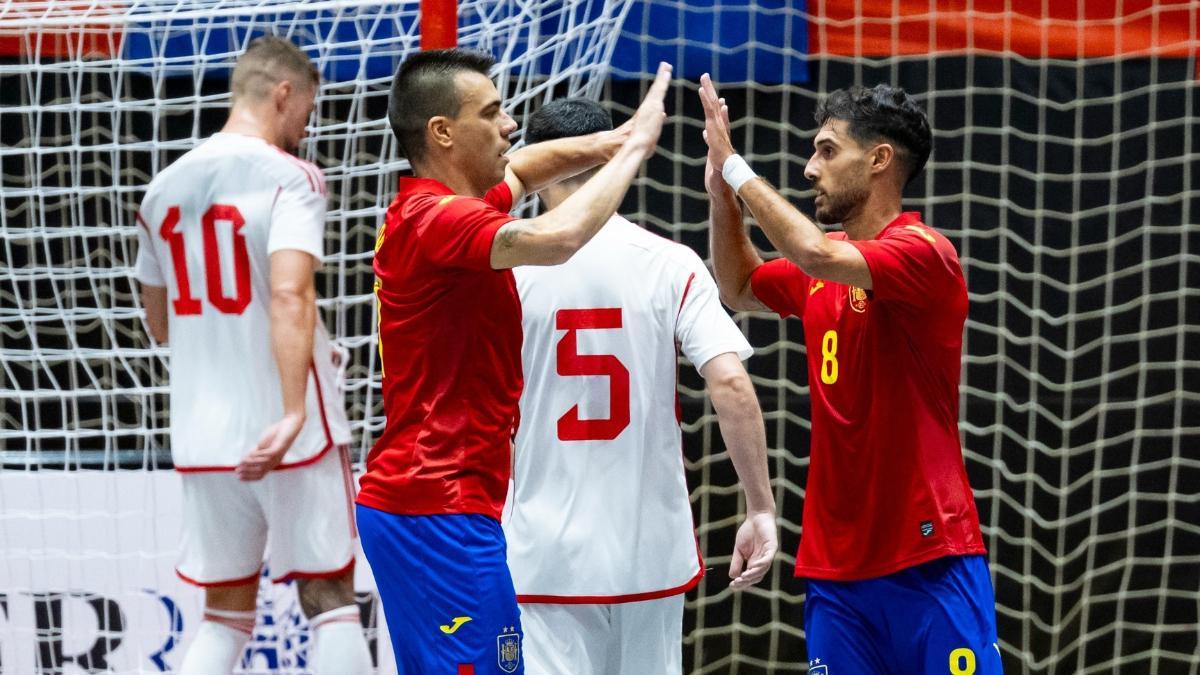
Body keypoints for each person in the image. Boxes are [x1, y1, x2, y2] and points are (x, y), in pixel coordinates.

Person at [355, 49, 673, 674]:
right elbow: (558, 239)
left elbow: (525, 169)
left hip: (425, 501)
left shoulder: (439, 209)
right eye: (494, 112)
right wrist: (637, 152)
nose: (510, 126)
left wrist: (612, 140)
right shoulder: (438, 220)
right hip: (438, 504)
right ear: (442, 132)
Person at [698, 76, 1003, 673]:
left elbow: (813, 252)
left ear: (880, 159)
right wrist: (719, 196)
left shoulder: (922, 252)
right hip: (834, 564)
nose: (810, 168)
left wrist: (735, 165)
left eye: (827, 150)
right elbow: (736, 285)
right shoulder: (826, 265)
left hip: (927, 552)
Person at [500, 97, 778, 675]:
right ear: (617, 158)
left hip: (542, 552)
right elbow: (730, 382)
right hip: (649, 552)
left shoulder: (505, 268)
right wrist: (760, 507)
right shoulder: (670, 263)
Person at [133, 36, 371, 674]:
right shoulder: (289, 175)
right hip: (290, 430)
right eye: (308, 110)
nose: (307, 127)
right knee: (331, 602)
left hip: (204, 437)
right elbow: (291, 295)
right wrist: (293, 411)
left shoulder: (160, 190)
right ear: (284, 94)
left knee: (224, 618)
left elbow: (159, 325)